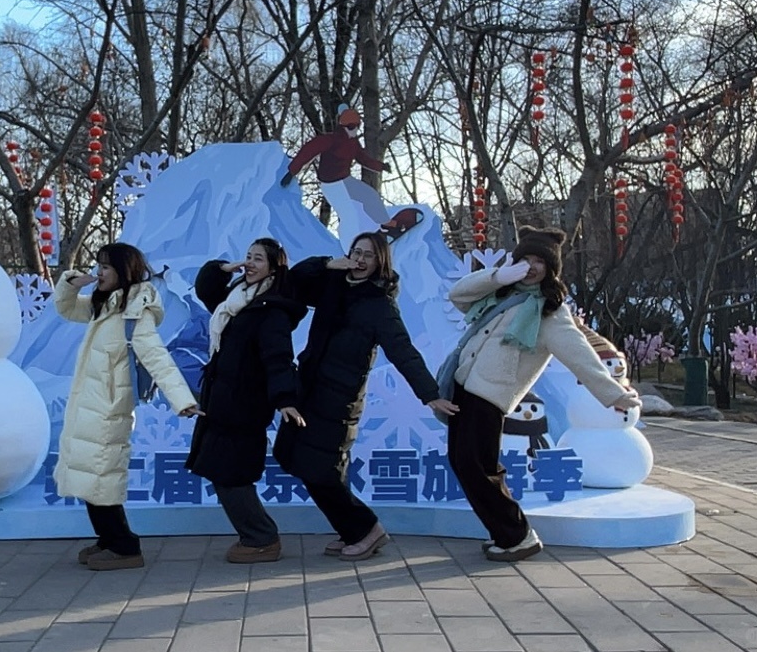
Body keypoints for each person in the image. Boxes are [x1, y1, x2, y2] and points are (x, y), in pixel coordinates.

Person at [446, 226, 642, 563]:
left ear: (551, 270)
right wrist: (497, 275)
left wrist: (613, 394)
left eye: (541, 262)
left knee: (477, 466)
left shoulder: (550, 312)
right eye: (526, 259)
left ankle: (517, 535)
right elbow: (458, 295)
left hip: (490, 397)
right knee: (466, 463)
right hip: (463, 387)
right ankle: (507, 534)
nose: (532, 267)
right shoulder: (502, 295)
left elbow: (580, 355)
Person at [273, 231, 457, 561]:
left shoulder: (379, 305)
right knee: (292, 456)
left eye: (368, 255)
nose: (359, 260)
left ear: (380, 262)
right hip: (308, 389)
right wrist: (328, 263)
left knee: (321, 469)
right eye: (355, 252)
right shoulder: (333, 284)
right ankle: (352, 530)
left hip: (339, 398)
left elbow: (404, 352)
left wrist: (429, 394)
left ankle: (366, 530)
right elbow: (296, 279)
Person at [53, 242, 201, 571]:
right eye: (99, 265)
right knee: (92, 478)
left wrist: (182, 400)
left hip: (108, 412)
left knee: (101, 479)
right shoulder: (105, 306)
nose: (99, 272)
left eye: (106, 266)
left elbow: (157, 358)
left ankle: (124, 546)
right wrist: (68, 283)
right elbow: (65, 309)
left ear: (123, 271)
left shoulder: (135, 313)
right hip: (90, 408)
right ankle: (108, 540)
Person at [186, 238, 308, 563]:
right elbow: (205, 289)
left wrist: (285, 399)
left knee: (230, 474)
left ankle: (261, 538)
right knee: (223, 471)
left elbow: (278, 358)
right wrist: (223, 269)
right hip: (222, 402)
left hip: (244, 406)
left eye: (259, 259)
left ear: (273, 267)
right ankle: (257, 536)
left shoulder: (272, 310)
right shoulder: (237, 298)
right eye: (248, 257)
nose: (250, 264)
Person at [279, 103, 397, 246]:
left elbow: (364, 159)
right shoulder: (330, 140)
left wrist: (381, 166)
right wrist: (291, 172)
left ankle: (385, 223)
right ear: (343, 127)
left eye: (357, 127)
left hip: (345, 180)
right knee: (349, 215)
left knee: (370, 195)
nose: (354, 131)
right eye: (351, 127)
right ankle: (349, 246)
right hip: (331, 185)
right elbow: (307, 152)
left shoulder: (354, 143)